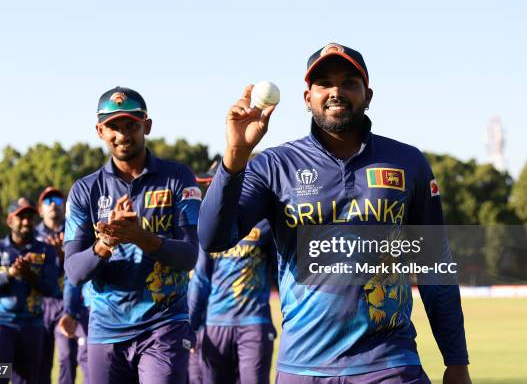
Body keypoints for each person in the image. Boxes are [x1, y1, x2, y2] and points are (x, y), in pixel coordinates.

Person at [197, 43, 472, 383]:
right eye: (324, 83)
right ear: (307, 97)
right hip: (303, 367)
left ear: (367, 94)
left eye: (349, 83)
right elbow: (212, 238)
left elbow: (434, 265)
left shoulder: (408, 162)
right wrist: (235, 156)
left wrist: (456, 361)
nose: (336, 91)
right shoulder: (273, 166)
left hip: (389, 363)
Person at [64, 86, 201, 384]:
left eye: (131, 125)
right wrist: (107, 242)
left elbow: (190, 255)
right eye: (113, 126)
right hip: (105, 329)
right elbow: (74, 272)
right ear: (100, 131)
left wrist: (142, 237)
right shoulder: (85, 190)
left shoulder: (178, 178)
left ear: (147, 126)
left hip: (164, 325)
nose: (122, 134)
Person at [188, 169, 276, 384]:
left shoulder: (265, 223)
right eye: (208, 186)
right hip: (215, 324)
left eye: (213, 185)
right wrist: (190, 326)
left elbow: (281, 272)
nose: (210, 191)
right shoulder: (206, 228)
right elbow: (201, 279)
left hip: (254, 324)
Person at [0, 197, 59, 384]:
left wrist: (29, 274)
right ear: (9, 220)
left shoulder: (46, 250)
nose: (26, 221)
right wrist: (10, 273)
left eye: (30, 217)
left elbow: (52, 289)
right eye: (21, 217)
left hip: (33, 327)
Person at [35, 187, 88, 384]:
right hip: (39, 304)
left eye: (57, 200)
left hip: (67, 302)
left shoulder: (75, 230)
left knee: (67, 357)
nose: (52, 204)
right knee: (40, 360)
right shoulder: (33, 235)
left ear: (64, 205)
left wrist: (64, 256)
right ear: (40, 209)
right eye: (47, 201)